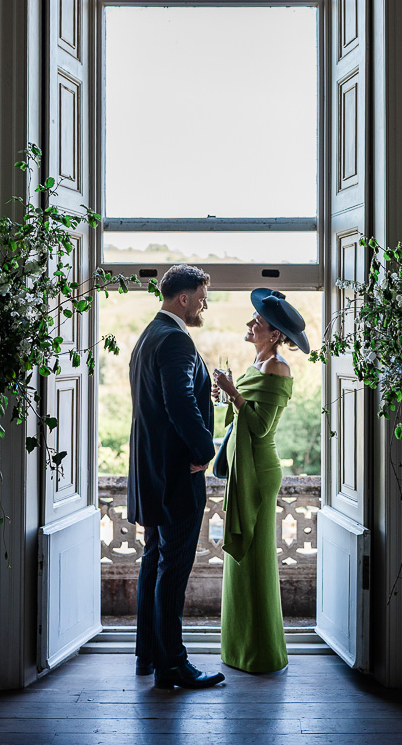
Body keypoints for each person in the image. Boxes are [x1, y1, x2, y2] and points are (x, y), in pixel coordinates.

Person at [127, 263, 225, 690]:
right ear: (183, 298)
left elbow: (168, 404)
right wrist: (206, 450)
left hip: (151, 473)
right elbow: (179, 403)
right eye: (202, 296)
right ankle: (173, 665)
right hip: (175, 476)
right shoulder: (176, 342)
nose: (205, 304)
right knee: (173, 568)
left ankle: (148, 653)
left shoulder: (149, 336)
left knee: (154, 562)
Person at [213, 288, 310, 674]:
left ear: (274, 335)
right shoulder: (259, 361)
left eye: (259, 322)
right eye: (254, 319)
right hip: (245, 466)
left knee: (254, 560)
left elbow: (258, 425)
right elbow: (240, 416)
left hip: (260, 470)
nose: (251, 324)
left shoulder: (277, 368)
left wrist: (233, 392)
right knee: (241, 564)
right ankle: (239, 649)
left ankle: (261, 652)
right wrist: (228, 394)